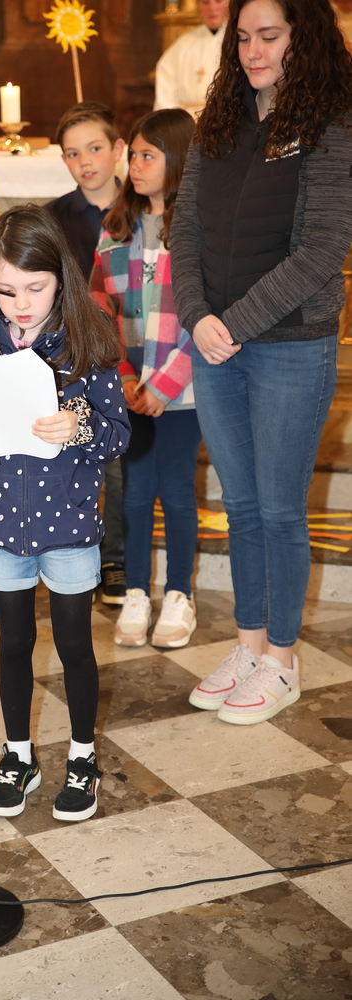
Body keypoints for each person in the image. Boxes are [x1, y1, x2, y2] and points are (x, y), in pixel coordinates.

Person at [170, 0, 352, 724]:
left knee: (279, 510)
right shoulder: (218, 122)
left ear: (303, 37)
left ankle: (281, 659)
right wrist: (197, 317)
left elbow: (323, 249)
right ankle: (247, 646)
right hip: (216, 341)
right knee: (238, 506)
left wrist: (232, 325)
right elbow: (185, 227)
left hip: (289, 345)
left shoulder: (333, 123)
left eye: (269, 37)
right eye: (243, 37)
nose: (252, 51)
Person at [0, 205, 131, 822]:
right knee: (14, 643)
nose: (20, 305)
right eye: (5, 291)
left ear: (60, 278)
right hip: (2, 522)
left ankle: (82, 756)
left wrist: (79, 427)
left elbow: (118, 434)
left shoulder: (88, 336)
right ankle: (19, 755)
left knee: (75, 643)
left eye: (35, 287)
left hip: (68, 521)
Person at [91, 109, 200, 650]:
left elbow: (208, 316)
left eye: (147, 156)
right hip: (130, 385)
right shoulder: (116, 228)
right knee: (134, 494)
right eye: (132, 155)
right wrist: (126, 376)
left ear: (176, 159)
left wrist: (165, 383)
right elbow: (100, 307)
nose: (134, 165)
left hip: (184, 387)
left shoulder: (198, 229)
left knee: (176, 492)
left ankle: (179, 594)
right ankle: (136, 592)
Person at [48, 101, 127, 605]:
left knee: (122, 464)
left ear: (118, 149)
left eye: (95, 148)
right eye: (73, 154)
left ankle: (117, 557)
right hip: (77, 358)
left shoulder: (143, 207)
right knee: (86, 456)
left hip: (134, 350)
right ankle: (81, 550)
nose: (85, 162)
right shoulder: (55, 216)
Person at [154, 0, 230, 115]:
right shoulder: (182, 45)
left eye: (218, 1)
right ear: (198, 6)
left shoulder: (239, 40)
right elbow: (165, 96)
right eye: (205, 2)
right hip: (187, 121)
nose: (212, 8)